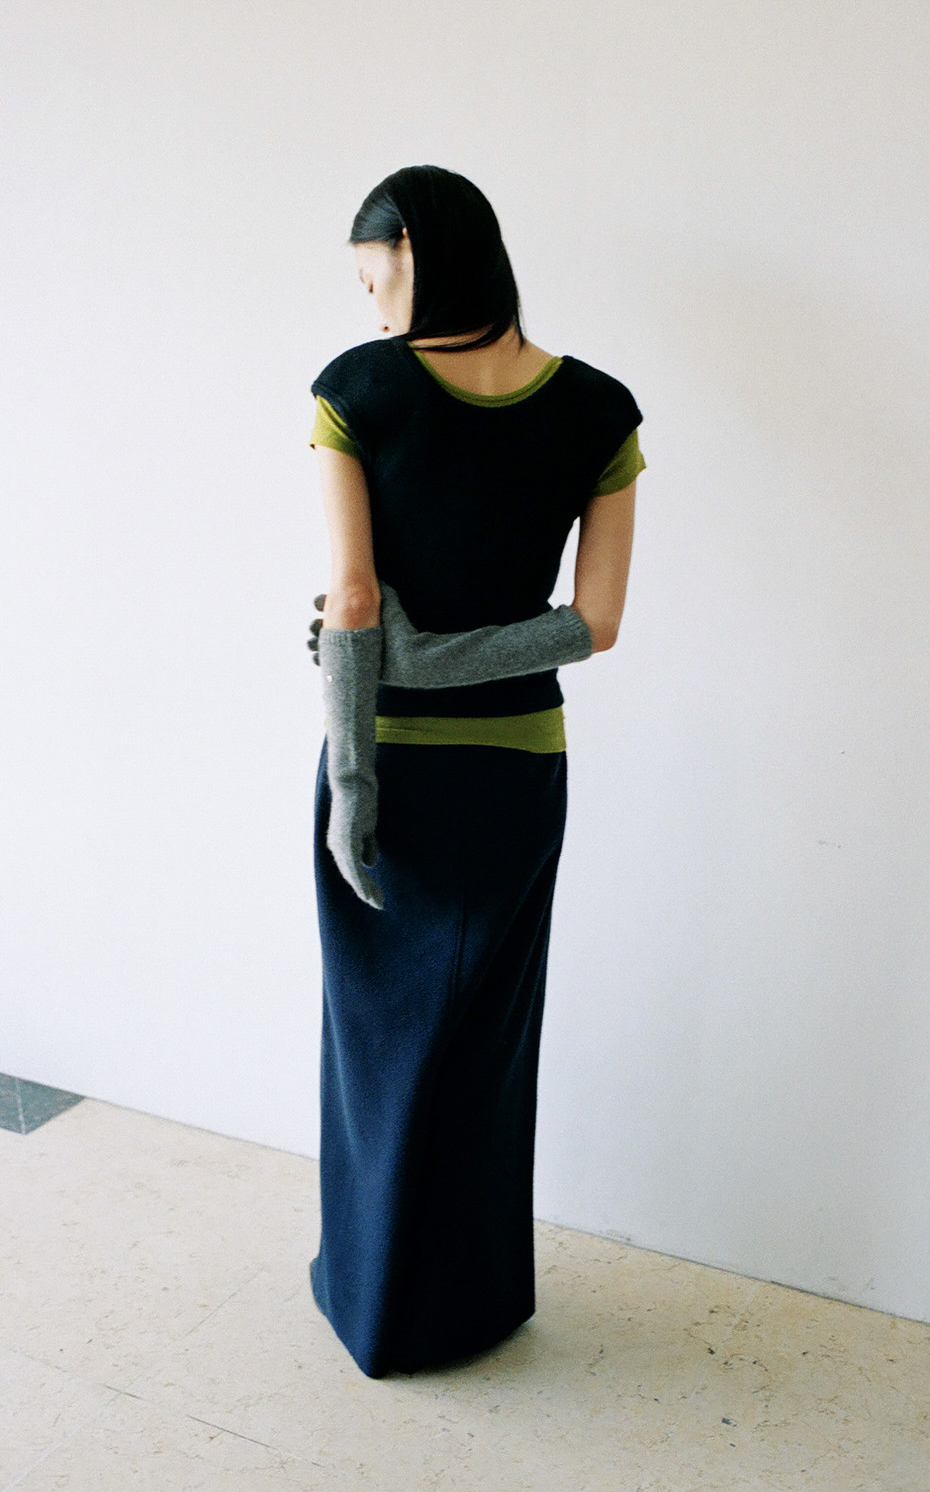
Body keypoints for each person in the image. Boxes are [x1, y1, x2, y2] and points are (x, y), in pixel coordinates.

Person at [305, 164, 645, 1379]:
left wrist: (356, 781)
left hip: (387, 763)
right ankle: (477, 1298)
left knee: (378, 1045)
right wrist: (451, 656)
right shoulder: (600, 411)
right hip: (518, 775)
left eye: (374, 276)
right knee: (486, 1049)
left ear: (417, 251)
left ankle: (375, 1299)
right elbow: (593, 624)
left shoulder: (356, 393)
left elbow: (352, 604)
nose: (371, 304)